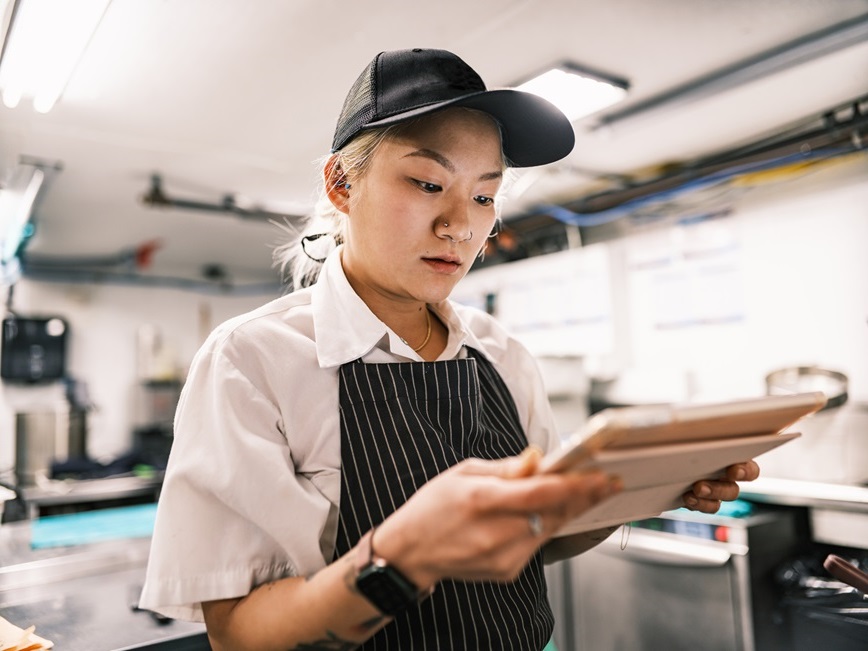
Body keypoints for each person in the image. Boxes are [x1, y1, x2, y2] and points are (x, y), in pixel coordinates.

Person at [139, 48, 760, 650]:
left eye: (485, 196)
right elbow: (239, 635)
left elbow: (537, 537)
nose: (461, 225)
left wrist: (647, 486)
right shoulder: (253, 362)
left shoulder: (501, 353)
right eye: (428, 183)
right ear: (341, 184)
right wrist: (402, 558)